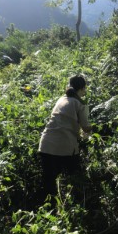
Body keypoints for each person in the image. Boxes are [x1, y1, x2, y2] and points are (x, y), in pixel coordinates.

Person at [38, 76, 92, 207]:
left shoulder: (61, 99)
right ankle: (76, 208)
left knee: (48, 183)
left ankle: (49, 212)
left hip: (46, 144)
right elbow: (86, 128)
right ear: (82, 88)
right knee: (75, 179)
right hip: (65, 147)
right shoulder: (80, 104)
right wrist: (100, 127)